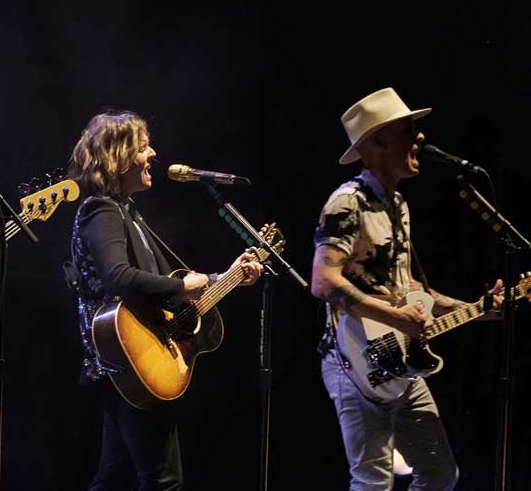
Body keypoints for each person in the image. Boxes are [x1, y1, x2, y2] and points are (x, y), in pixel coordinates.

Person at [310, 87, 504, 490]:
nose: (419, 137)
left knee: (439, 475)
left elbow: (410, 288)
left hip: (400, 361)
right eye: (406, 129)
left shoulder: (398, 206)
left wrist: (476, 307)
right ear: (377, 141)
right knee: (372, 481)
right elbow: (323, 281)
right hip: (354, 362)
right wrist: (397, 317)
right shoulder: (347, 203)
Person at [67, 111, 263, 490]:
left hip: (133, 360)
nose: (153, 153)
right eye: (142, 147)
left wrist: (226, 279)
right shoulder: (101, 209)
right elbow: (118, 278)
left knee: (114, 476)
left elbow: (168, 289)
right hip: (126, 355)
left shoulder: (127, 211)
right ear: (118, 157)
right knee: (163, 480)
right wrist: (197, 282)